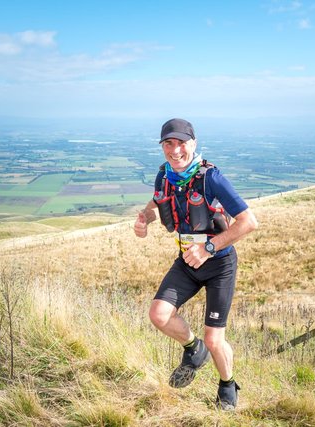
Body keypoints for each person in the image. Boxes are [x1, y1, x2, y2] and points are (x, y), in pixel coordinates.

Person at [134, 118, 258, 410]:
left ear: (193, 144)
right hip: (187, 262)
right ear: (162, 146)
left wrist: (209, 247)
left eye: (181, 143)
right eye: (168, 143)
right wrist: (144, 219)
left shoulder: (211, 178)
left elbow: (249, 222)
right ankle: (193, 350)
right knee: (159, 314)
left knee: (215, 339)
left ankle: (227, 385)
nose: (175, 150)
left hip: (219, 264)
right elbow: (156, 203)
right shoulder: (164, 175)